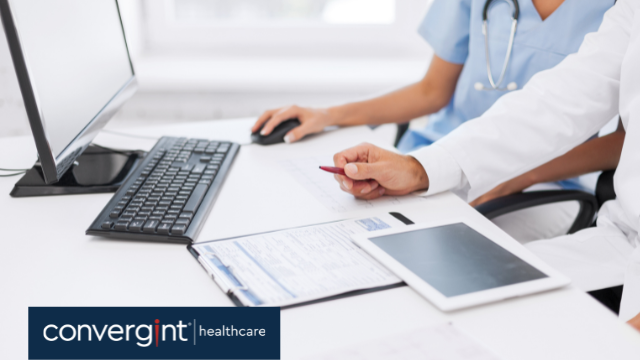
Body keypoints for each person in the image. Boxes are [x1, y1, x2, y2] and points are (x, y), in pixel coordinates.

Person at [330, 0, 640, 329]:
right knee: (415, 299)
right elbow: (560, 100)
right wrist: (419, 168)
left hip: (602, 240)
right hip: (618, 242)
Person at [253, 0, 614, 185]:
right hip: (436, 153)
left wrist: (517, 176)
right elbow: (431, 92)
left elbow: (627, 140)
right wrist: (329, 115)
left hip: (542, 180)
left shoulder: (621, 12)